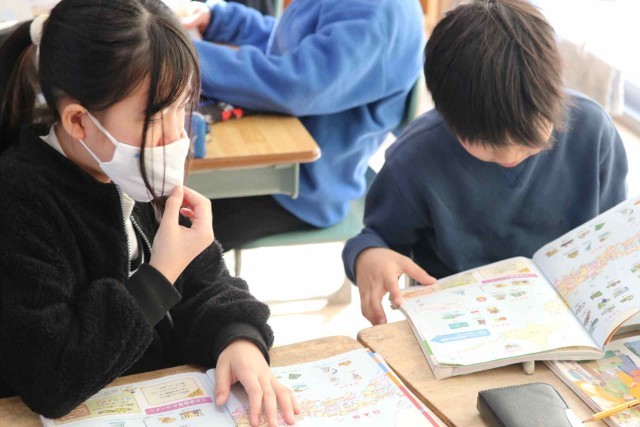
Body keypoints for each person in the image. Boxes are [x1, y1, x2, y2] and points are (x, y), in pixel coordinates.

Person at [0, 1, 298, 426]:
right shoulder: (18, 199)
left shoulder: (127, 170)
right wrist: (159, 274)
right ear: (79, 122)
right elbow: (51, 378)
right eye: (157, 116)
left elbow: (209, 283)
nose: (176, 136)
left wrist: (239, 338)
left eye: (183, 107)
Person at [342, 0, 628, 326]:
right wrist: (368, 256)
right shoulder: (414, 159)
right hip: (460, 322)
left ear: (553, 95)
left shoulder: (593, 131)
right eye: (490, 146)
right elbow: (374, 239)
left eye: (529, 137)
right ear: (449, 119)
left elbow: (614, 235)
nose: (510, 155)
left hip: (571, 316)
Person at [181, 0, 425, 250]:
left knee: (172, 227)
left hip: (300, 190)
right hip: (279, 163)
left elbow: (295, 86)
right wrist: (222, 21)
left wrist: (184, 55)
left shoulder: (376, 14)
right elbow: (292, 44)